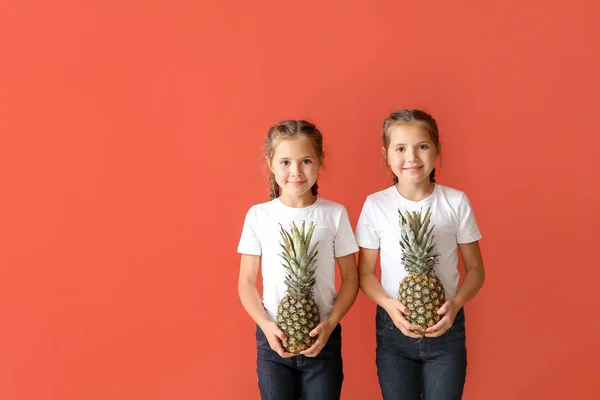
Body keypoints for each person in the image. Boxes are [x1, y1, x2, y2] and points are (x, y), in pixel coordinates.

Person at [356, 109, 485, 400]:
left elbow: (476, 269)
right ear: (386, 155)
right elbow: (365, 273)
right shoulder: (376, 205)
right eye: (400, 148)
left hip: (446, 326)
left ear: (437, 149)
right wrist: (388, 305)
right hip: (393, 327)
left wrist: (456, 304)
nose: (411, 157)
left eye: (422, 146)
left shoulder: (455, 201)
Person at [237, 120, 359, 399]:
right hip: (272, 338)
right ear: (270, 164)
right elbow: (245, 282)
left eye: (305, 161)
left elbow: (351, 278)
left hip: (322, 336)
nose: (296, 172)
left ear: (319, 161)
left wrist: (330, 324)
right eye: (285, 162)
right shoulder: (259, 215)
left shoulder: (334, 214)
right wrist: (266, 326)